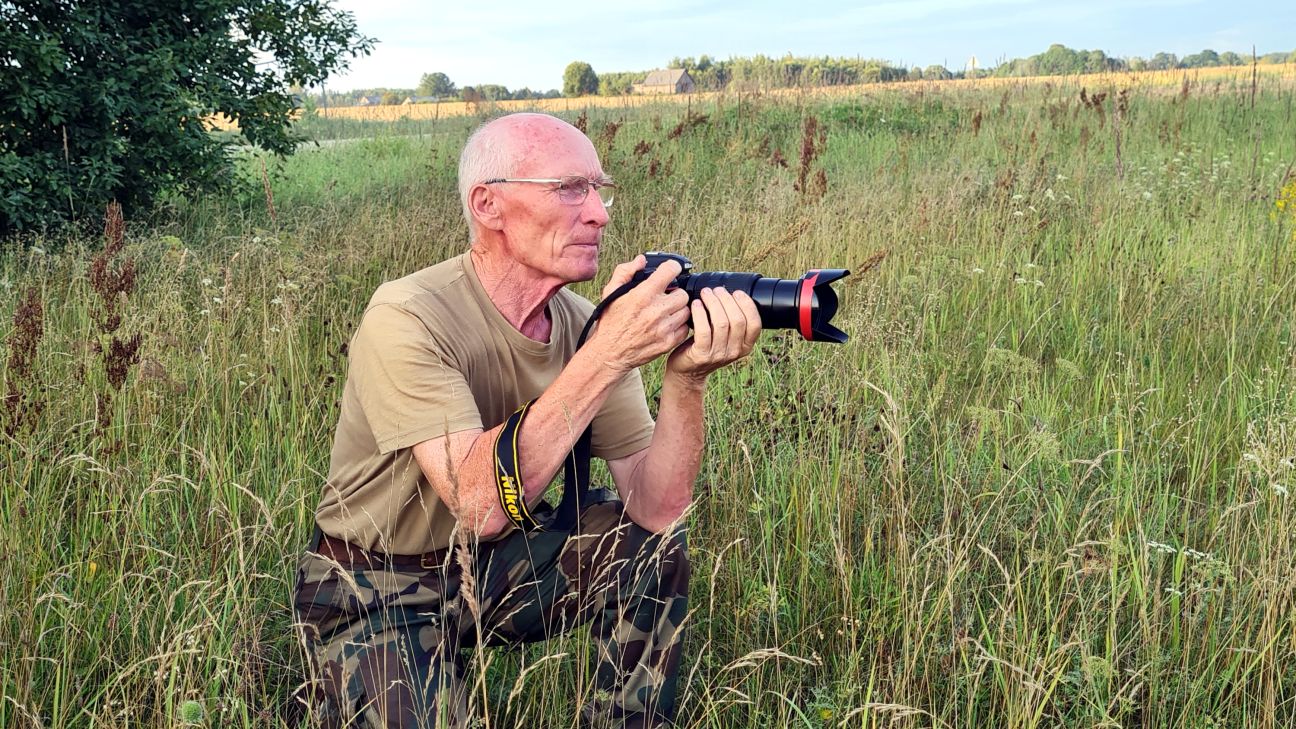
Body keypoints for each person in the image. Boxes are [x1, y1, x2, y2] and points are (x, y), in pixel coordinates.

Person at [292, 112, 761, 729]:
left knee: (649, 552)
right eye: (569, 188)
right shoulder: (407, 314)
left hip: (495, 565)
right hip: (372, 581)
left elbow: (657, 509)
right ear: (489, 205)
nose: (599, 213)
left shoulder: (585, 323)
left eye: (599, 188)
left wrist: (687, 379)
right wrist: (609, 352)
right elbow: (479, 502)